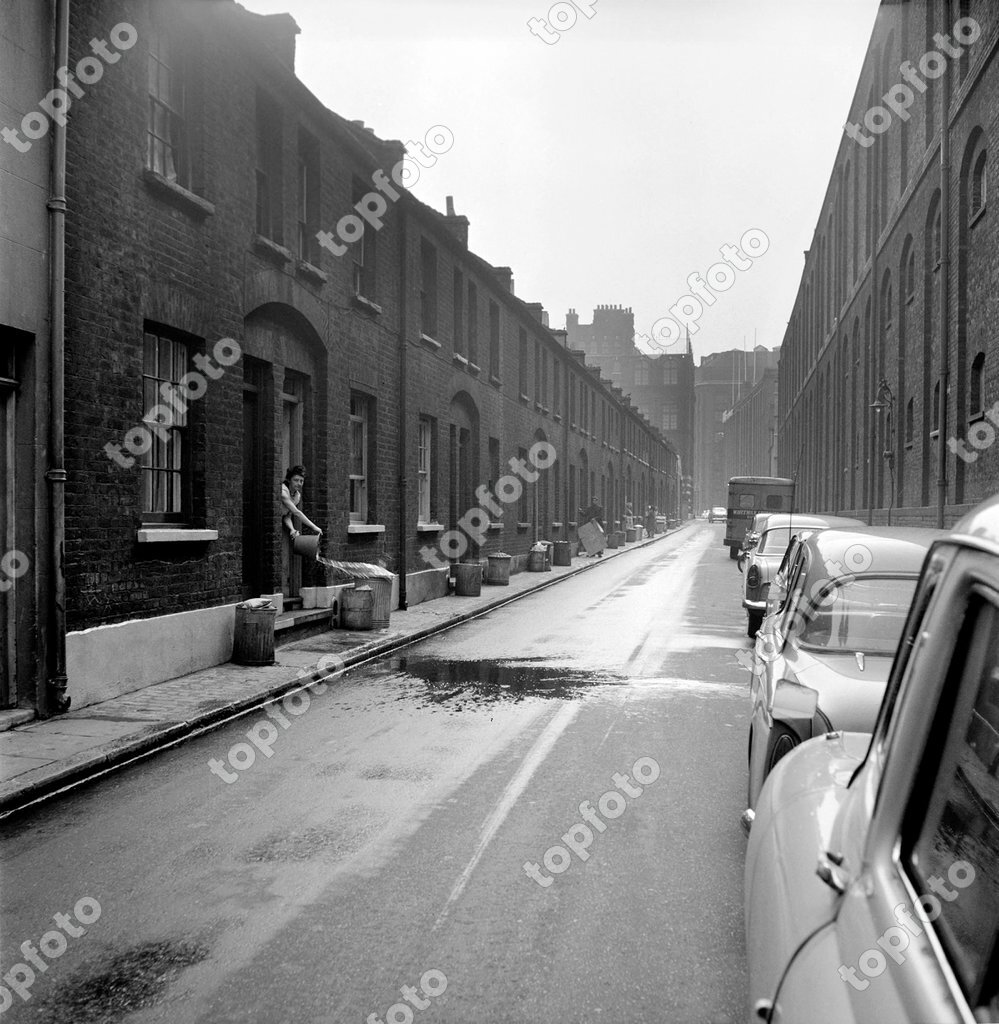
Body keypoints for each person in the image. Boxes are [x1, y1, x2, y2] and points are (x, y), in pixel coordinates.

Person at [280, 465, 322, 539]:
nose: (299, 483)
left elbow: (287, 516)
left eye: (301, 481)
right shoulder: (283, 491)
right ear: (289, 480)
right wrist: (314, 527)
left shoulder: (297, 496)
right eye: (296, 480)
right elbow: (297, 513)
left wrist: (292, 529)